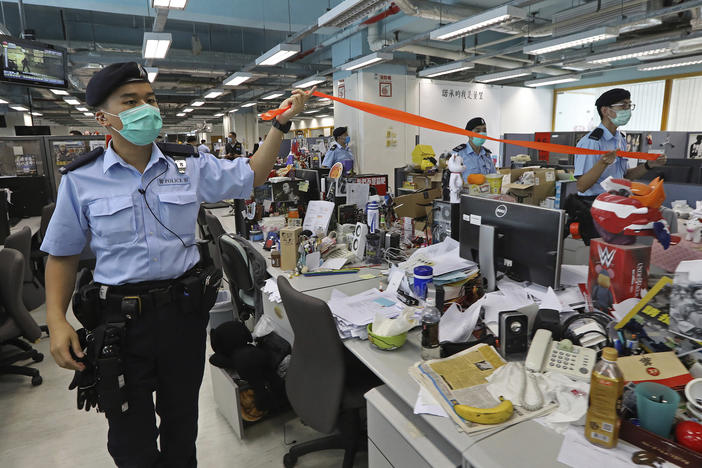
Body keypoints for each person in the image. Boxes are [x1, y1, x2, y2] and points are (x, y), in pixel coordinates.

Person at [40, 61, 313, 467]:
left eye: (149, 99)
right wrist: (57, 320)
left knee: (182, 421)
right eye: (130, 102)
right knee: (130, 435)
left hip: (182, 317)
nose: (145, 109)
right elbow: (61, 253)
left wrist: (282, 126)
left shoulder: (188, 165)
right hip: (121, 323)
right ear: (102, 117)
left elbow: (253, 174)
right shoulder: (82, 179)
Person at [575, 88, 666, 197]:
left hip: (617, 199)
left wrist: (648, 165)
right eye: (623, 105)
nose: (627, 110)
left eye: (629, 105)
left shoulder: (620, 139)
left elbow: (624, 176)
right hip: (595, 202)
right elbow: (582, 186)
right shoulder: (592, 142)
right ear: (605, 111)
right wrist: (603, 163)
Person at [452, 117, 495, 181]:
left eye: (484, 130)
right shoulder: (458, 154)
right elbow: (452, 181)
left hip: (485, 190)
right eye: (477, 131)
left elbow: (493, 176)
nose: (482, 133)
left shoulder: (486, 155)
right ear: (468, 134)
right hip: (466, 190)